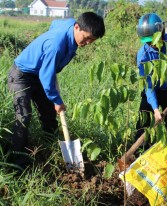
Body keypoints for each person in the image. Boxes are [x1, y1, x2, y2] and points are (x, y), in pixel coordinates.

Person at [7, 12, 105, 168]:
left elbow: (54, 23)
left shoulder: (71, 25)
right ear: (77, 27)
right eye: (86, 38)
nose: (87, 42)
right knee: (24, 117)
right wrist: (57, 100)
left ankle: (50, 148)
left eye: (91, 40)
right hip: (21, 75)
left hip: (39, 74)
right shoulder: (56, 46)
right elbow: (46, 76)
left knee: (48, 114)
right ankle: (17, 161)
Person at [134, 13, 167, 149]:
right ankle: (139, 154)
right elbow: (148, 85)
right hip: (151, 92)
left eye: (153, 40)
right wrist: (155, 108)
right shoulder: (143, 55)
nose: (151, 44)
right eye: (148, 42)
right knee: (143, 125)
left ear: (162, 33)